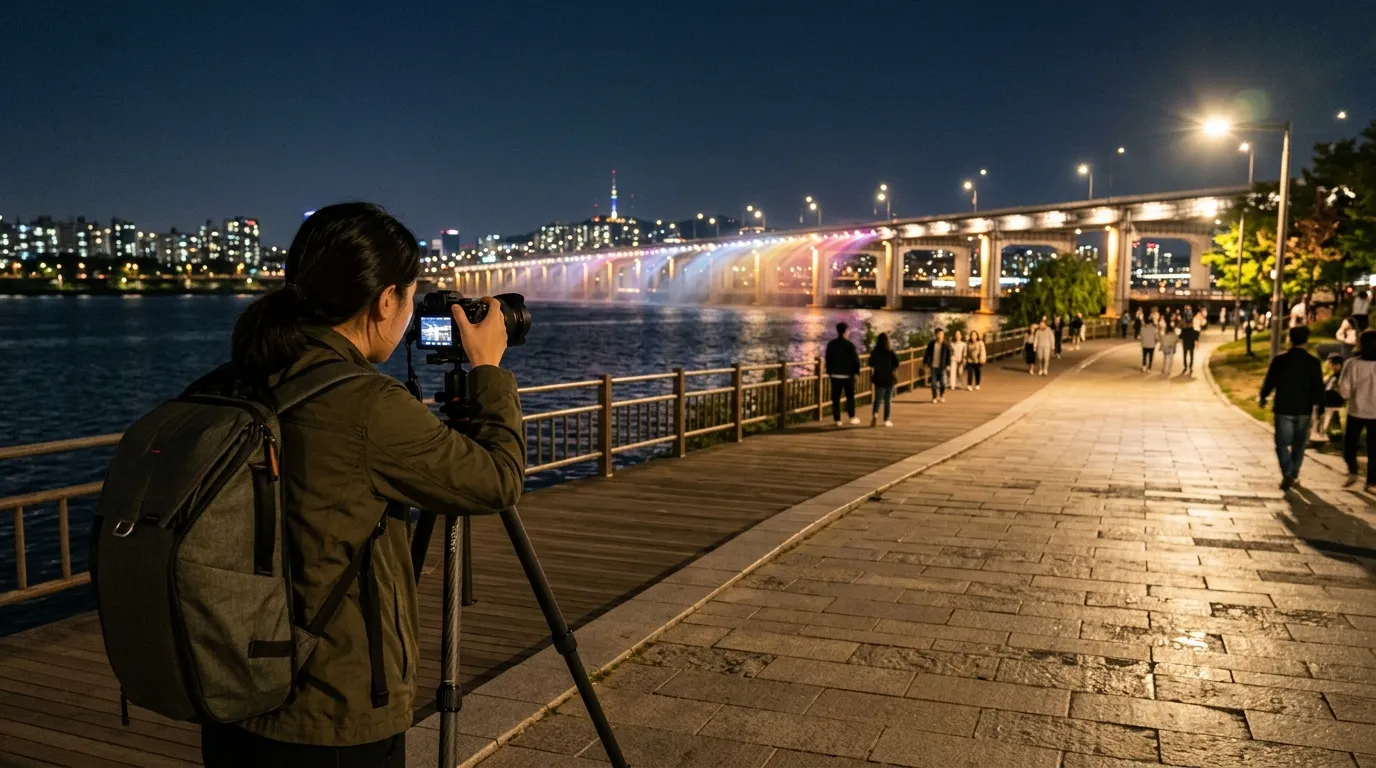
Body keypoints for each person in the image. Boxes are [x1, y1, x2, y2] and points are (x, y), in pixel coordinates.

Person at [201, 203, 525, 767]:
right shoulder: (366, 405)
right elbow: (498, 480)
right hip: (333, 715)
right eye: (408, 298)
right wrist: (488, 369)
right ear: (385, 301)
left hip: (233, 690)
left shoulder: (239, 378)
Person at [1259, 325, 1326, 490]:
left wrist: (1263, 396)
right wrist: (1321, 408)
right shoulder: (1313, 362)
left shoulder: (1280, 360)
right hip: (1304, 409)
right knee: (1299, 443)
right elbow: (1318, 386)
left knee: (1282, 443)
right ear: (1306, 340)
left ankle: (1288, 472)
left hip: (1283, 407)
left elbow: (1270, 381)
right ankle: (1293, 473)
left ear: (1290, 339)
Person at [1337, 329, 1376, 490]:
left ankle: (1353, 471)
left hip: (1356, 410)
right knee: (1374, 448)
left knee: (1349, 444)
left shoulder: (1352, 364)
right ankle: (1372, 481)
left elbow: (1344, 390)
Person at [825, 322, 862, 426]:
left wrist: (830, 372)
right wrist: (856, 372)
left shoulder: (831, 344)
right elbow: (856, 361)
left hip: (835, 375)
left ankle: (837, 420)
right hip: (847, 376)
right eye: (848, 330)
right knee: (850, 397)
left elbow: (828, 360)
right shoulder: (850, 345)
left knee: (835, 398)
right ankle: (852, 417)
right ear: (845, 331)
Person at [1313, 353, 1346, 441]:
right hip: (1328, 401)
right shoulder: (1334, 375)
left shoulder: (1341, 376)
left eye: (1331, 364)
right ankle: (1319, 433)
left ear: (1337, 365)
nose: (1329, 366)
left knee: (1317, 408)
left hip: (1333, 402)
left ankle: (1320, 434)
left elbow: (1336, 391)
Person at [869, 332, 899, 427]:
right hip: (889, 378)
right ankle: (886, 420)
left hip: (879, 378)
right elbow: (897, 363)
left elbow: (870, 363)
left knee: (877, 399)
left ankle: (875, 415)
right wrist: (892, 368)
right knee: (888, 400)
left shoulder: (875, 352)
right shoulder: (890, 351)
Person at [924, 328, 953, 403]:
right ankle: (934, 397)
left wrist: (948, 365)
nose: (940, 336)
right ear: (936, 335)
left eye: (942, 334)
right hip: (933, 366)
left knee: (943, 383)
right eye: (939, 334)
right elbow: (927, 354)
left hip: (942, 367)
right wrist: (926, 363)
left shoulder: (946, 344)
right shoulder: (932, 344)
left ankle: (942, 395)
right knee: (933, 384)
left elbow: (948, 356)